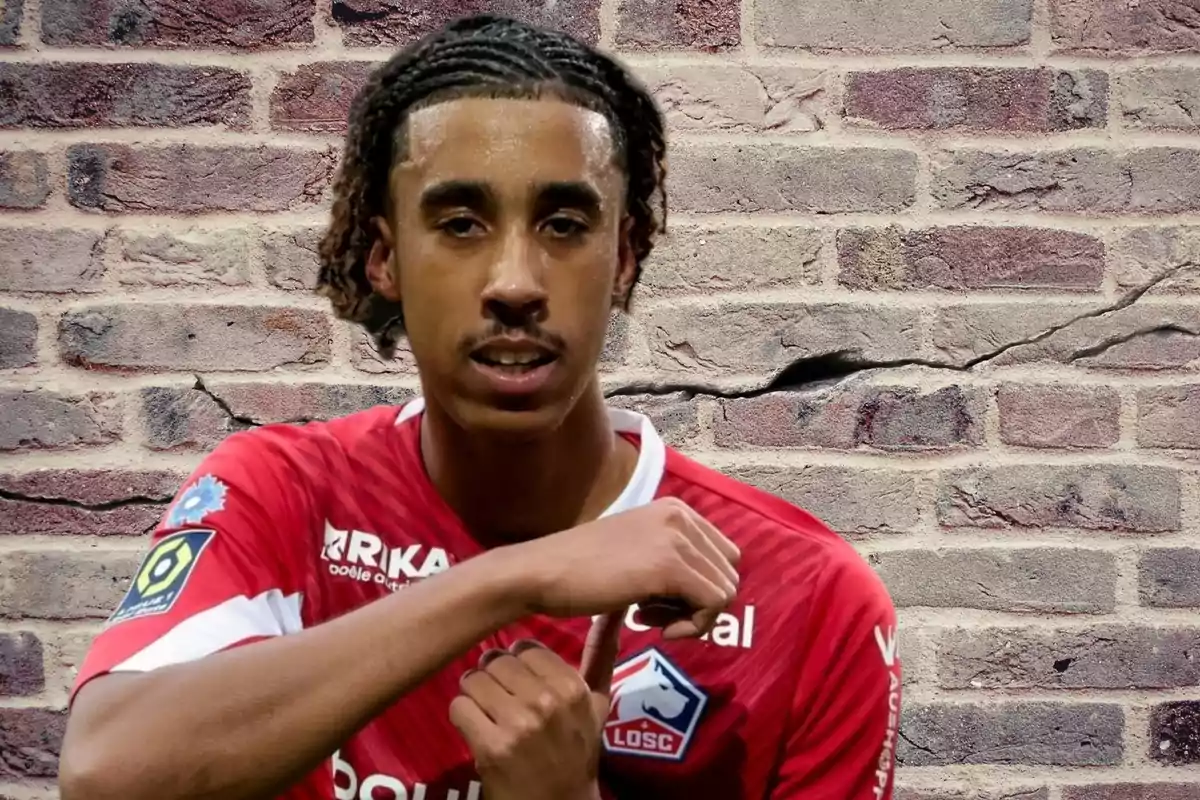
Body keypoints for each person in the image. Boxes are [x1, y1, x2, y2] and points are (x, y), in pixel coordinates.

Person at [59, 14, 901, 800]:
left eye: (565, 224)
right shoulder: (284, 495)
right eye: (460, 223)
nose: (514, 284)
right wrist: (513, 579)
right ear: (385, 259)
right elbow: (106, 770)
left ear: (624, 259)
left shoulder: (813, 601)